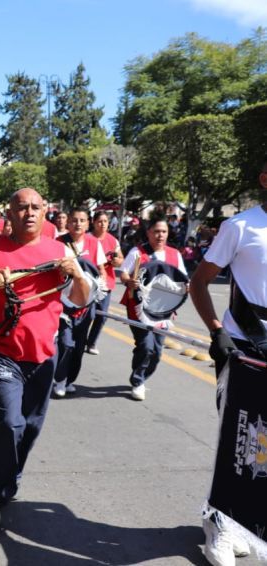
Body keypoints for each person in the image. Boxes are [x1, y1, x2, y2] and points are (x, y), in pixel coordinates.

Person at [0, 188, 93, 520]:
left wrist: (76, 273)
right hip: (4, 352)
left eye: (35, 207)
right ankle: (2, 487)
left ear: (45, 210)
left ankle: (8, 471)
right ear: (10, 212)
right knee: (10, 422)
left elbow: (81, 299)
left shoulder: (59, 250)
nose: (29, 213)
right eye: (22, 207)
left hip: (45, 354)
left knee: (30, 427)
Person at [189, 162, 267, 566]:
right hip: (244, 344)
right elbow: (199, 281)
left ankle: (248, 524)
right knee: (238, 438)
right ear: (265, 180)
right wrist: (217, 330)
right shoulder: (240, 226)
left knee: (266, 446)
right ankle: (218, 522)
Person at [119, 217, 186, 401]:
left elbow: (183, 279)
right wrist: (128, 281)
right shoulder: (138, 252)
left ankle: (143, 375)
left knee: (157, 351)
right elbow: (124, 272)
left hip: (163, 309)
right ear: (149, 233)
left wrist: (185, 288)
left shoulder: (174, 254)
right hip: (139, 308)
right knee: (145, 345)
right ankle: (138, 381)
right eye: (156, 231)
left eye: (163, 231)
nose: (160, 235)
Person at [52, 208, 106, 397]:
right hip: (63, 304)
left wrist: (102, 287)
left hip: (86, 304)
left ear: (87, 223)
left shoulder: (94, 243)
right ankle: (59, 378)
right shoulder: (57, 243)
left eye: (82, 220)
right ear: (68, 223)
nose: (78, 224)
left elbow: (101, 270)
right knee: (66, 343)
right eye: (74, 220)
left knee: (79, 346)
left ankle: (69, 380)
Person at [85, 210, 123, 355]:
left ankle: (92, 342)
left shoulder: (113, 240)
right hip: (88, 283)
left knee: (102, 316)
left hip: (106, 283)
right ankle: (81, 339)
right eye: (99, 221)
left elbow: (120, 259)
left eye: (105, 221)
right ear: (93, 222)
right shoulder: (87, 238)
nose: (102, 224)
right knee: (88, 314)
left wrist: (116, 261)